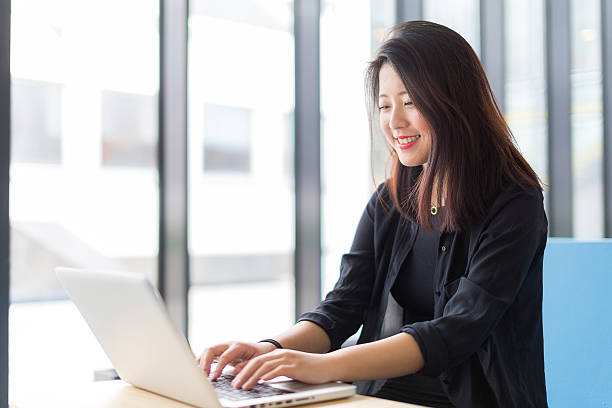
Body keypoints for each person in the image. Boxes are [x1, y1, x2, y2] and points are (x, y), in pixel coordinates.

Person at [198, 21, 548, 408]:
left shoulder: (515, 203)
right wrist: (270, 349)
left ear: (455, 100)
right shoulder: (389, 202)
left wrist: (325, 366)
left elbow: (457, 329)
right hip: (380, 398)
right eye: (384, 105)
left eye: (410, 102)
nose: (394, 122)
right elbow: (343, 306)